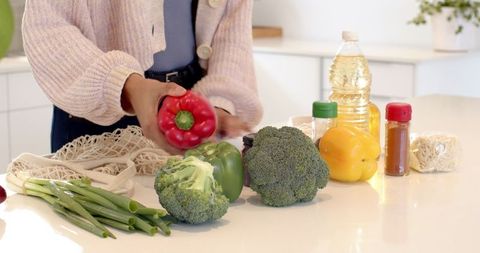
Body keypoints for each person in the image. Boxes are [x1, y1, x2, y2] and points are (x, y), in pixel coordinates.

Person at [22, 0, 263, 154]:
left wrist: (219, 102)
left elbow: (231, 24)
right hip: (97, 103)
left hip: (191, 104)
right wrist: (124, 85)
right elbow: (48, 26)